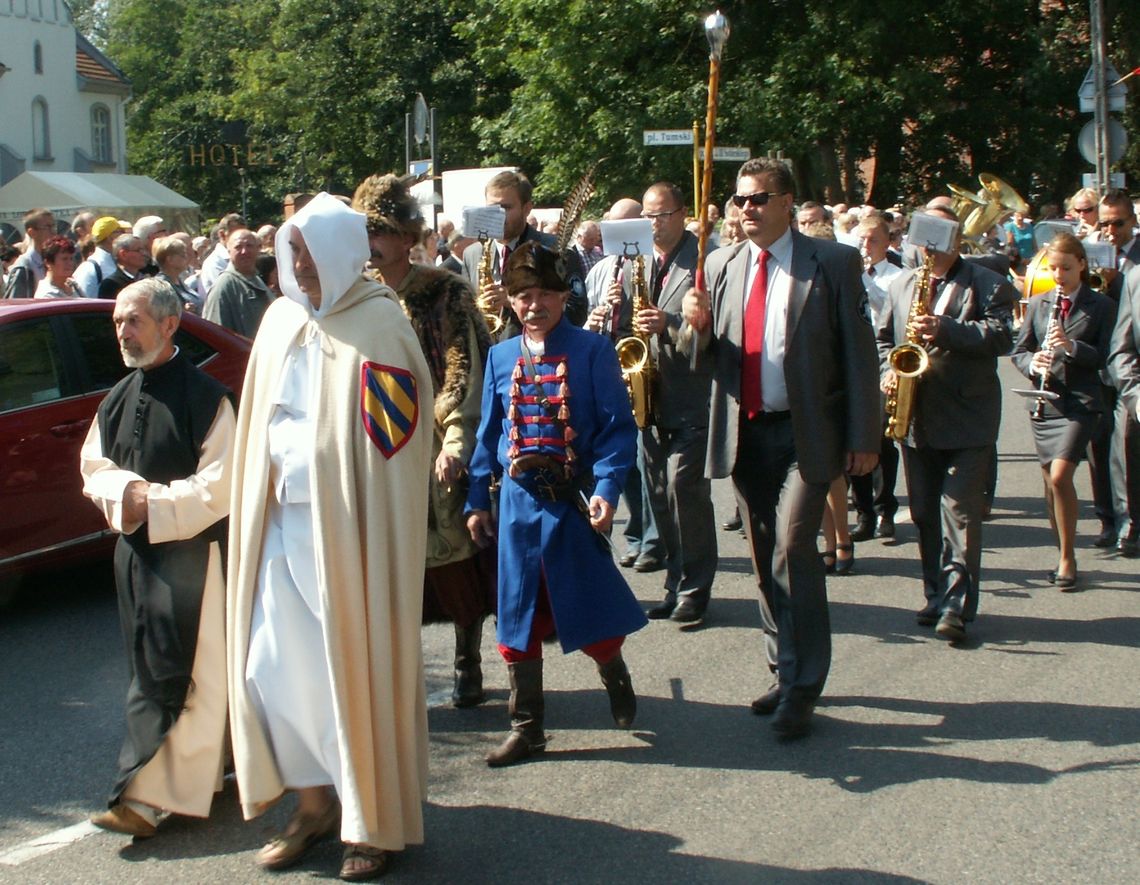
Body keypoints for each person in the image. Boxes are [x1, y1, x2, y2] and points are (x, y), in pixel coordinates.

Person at [226, 193, 432, 881]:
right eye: (293, 253)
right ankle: (313, 803)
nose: (300, 267)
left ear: (343, 252)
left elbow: (395, 448)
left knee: (354, 672)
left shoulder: (379, 327)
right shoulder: (281, 321)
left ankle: (367, 821)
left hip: (349, 533)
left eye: (311, 254)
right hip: (282, 526)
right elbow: (258, 424)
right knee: (273, 670)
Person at [681, 158, 880, 739]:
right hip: (747, 433)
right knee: (764, 555)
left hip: (806, 431)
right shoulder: (719, 264)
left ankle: (803, 687)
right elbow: (702, 361)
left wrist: (864, 437)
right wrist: (691, 328)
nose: (747, 209)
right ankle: (782, 665)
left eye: (760, 198)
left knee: (794, 547)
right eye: (740, 200)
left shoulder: (833, 262)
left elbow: (859, 353)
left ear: (789, 201)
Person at [465, 241, 647, 767]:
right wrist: (478, 500)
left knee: (588, 611)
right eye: (523, 294)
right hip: (518, 512)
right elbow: (488, 436)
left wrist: (607, 493)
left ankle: (613, 671)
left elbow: (617, 432)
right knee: (516, 618)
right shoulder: (501, 355)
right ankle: (527, 729)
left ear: (565, 295)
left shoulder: (592, 350)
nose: (534, 304)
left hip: (570, 506)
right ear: (511, 299)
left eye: (545, 293)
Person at [80, 278, 234, 838]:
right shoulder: (117, 397)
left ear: (170, 325)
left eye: (134, 320)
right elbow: (92, 468)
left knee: (185, 675)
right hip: (136, 555)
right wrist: (127, 495)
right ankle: (211, 771)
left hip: (194, 558)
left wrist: (157, 502)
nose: (123, 330)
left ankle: (142, 799)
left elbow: (222, 485)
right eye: (118, 321)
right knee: (147, 670)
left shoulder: (208, 397)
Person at [352, 173, 496, 709]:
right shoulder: (353, 299)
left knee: (457, 561)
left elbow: (467, 372)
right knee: (390, 568)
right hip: (379, 449)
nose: (372, 243)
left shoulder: (444, 292)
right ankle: (401, 669)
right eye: (364, 231)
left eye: (382, 231)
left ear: (406, 237)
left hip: (437, 444)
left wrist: (457, 441)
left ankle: (467, 661)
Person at [876, 205, 1015, 642]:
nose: (930, 252)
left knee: (958, 512)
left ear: (956, 242)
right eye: (924, 242)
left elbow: (1001, 337)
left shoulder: (989, 284)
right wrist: (886, 369)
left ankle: (957, 605)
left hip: (968, 417)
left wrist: (946, 328)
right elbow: (884, 338)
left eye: (939, 243)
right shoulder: (902, 283)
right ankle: (934, 593)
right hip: (916, 415)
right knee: (922, 513)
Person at [635, 182, 719, 623]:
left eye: (663, 214)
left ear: (682, 214)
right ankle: (674, 580)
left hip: (691, 397)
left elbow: (708, 339)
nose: (654, 223)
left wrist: (667, 322)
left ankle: (695, 588)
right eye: (649, 215)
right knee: (658, 496)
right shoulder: (640, 260)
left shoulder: (704, 262)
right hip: (649, 399)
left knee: (685, 490)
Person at [1011, 233, 1113, 590]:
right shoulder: (1039, 303)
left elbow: (1105, 356)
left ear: (1082, 265)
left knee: (1059, 476)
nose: (1059, 275)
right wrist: (1033, 363)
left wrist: (1071, 347)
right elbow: (1019, 350)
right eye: (1053, 268)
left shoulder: (1100, 306)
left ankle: (1069, 557)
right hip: (1046, 401)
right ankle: (1062, 552)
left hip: (1081, 403)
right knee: (1049, 484)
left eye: (1066, 268)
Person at [582, 196, 667, 573]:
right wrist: (599, 313)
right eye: (610, 226)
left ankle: (654, 539)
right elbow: (588, 318)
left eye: (625, 226)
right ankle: (635, 533)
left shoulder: (651, 265)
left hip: (644, 369)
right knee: (624, 461)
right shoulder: (601, 269)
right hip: (611, 367)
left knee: (645, 457)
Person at [462, 170, 586, 340]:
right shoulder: (472, 254)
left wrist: (514, 301)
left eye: (505, 208)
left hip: (540, 357)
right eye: (492, 208)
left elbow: (577, 313)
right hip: (489, 359)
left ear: (527, 209)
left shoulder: (557, 250)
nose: (498, 216)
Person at [849, 216, 904, 542]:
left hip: (882, 365)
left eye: (872, 240)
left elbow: (892, 320)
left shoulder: (898, 278)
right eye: (861, 240)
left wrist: (868, 287)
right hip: (855, 365)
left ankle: (886, 509)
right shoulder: (848, 274)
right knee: (854, 440)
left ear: (887, 242)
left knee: (882, 441)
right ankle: (863, 512)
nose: (866, 247)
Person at [1109, 265, 1140, 557]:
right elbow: (1122, 350)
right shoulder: (1135, 278)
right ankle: (1131, 523)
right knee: (1126, 434)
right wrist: (1136, 396)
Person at [202, 228, 273, 336]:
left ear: (258, 249)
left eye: (249, 246)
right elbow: (216, 336)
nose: (244, 251)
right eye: (238, 247)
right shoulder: (223, 287)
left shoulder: (257, 280)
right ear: (229, 251)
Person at [3, 208, 55, 298]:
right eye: (48, 227)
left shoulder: (54, 261)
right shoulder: (24, 267)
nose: (53, 232)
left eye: (54, 226)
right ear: (32, 233)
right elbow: (17, 304)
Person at [74, 216, 127, 298]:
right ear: (110, 238)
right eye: (121, 232)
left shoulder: (115, 262)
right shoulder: (90, 267)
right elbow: (82, 302)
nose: (125, 235)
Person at [199, 212, 247, 296]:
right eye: (235, 234)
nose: (240, 239)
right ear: (222, 235)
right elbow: (227, 293)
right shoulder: (214, 263)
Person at [155, 235, 203, 313]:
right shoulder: (161, 285)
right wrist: (182, 312)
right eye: (183, 255)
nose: (186, 257)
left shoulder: (178, 281)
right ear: (170, 260)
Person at [98, 234, 150, 300]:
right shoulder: (111, 284)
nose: (144, 254)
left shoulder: (146, 278)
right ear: (123, 254)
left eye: (143, 250)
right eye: (138, 250)